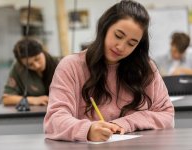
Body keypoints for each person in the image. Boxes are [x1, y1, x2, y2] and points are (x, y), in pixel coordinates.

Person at [44, 0, 174, 142]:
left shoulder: (145, 69)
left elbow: (167, 115)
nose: (121, 47)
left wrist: (126, 122)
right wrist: (87, 130)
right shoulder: (71, 67)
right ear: (105, 27)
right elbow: (54, 120)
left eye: (131, 43)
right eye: (118, 35)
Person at [2, 37, 58, 106]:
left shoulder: (60, 64)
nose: (37, 66)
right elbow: (6, 99)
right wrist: (33, 100)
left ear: (43, 51)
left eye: (37, 59)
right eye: (30, 65)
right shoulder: (18, 68)